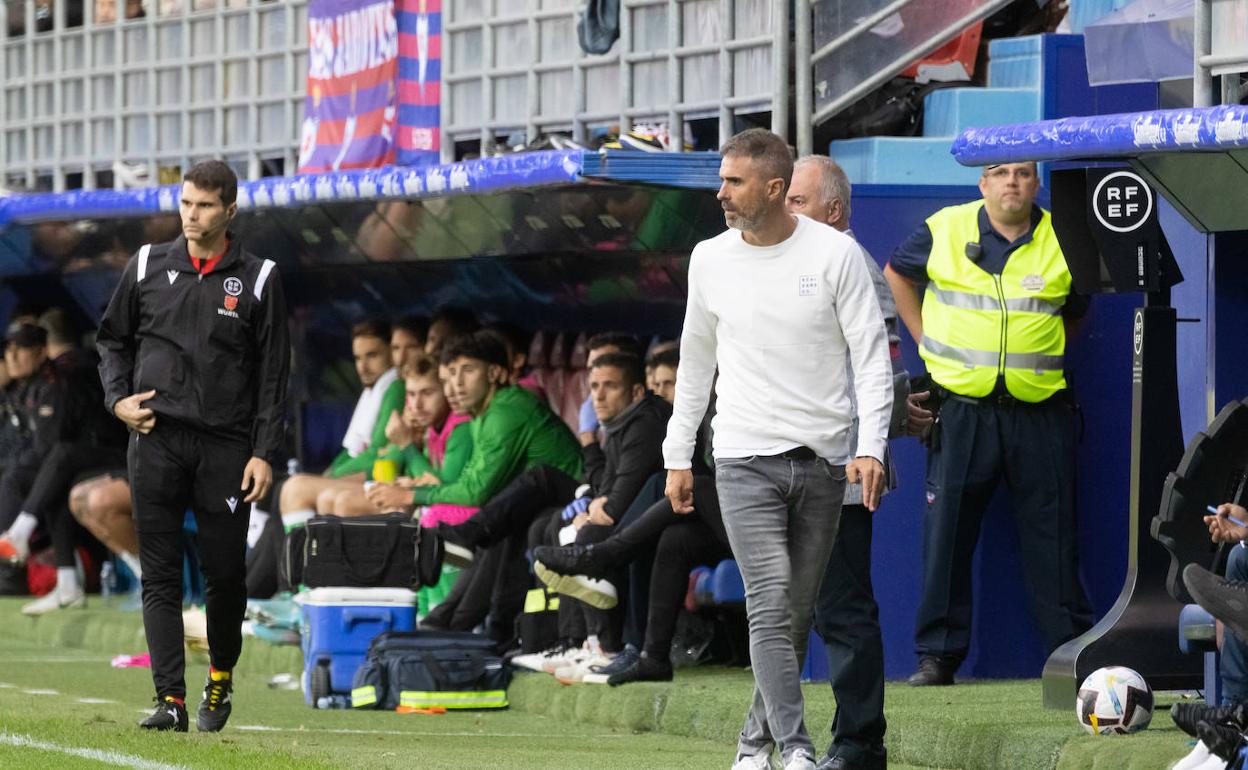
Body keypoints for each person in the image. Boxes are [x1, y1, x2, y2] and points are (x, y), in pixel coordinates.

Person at [663, 128, 893, 770]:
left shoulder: (836, 255)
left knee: (791, 616)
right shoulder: (708, 258)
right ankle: (795, 747)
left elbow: (872, 359)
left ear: (773, 188)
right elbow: (693, 363)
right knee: (769, 599)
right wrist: (677, 454)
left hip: (822, 461)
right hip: (740, 458)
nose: (721, 194)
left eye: (733, 182)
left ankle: (751, 745)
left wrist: (870, 446)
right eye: (722, 180)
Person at [97, 159, 291, 733]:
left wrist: (263, 451)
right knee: (158, 575)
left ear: (229, 210)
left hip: (227, 449)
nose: (191, 215)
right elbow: (111, 342)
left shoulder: (259, 278)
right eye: (185, 203)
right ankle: (170, 701)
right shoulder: (147, 264)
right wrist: (117, 403)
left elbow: (274, 376)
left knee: (225, 575)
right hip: (155, 438)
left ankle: (221, 677)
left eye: (203, 205)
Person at [883, 160, 1094, 687]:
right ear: (982, 184)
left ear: (1037, 183)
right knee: (947, 535)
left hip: (1039, 411)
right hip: (962, 410)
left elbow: (1077, 307)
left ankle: (1068, 653)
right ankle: (937, 656)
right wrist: (926, 339)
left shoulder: (1063, 235)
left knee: (1054, 535)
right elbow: (896, 276)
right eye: (1000, 173)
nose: (1012, 182)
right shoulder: (945, 227)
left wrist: (1041, 354)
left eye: (1023, 173)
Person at [786, 154, 916, 770]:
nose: (787, 211)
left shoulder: (855, 268)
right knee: (806, 610)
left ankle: (861, 745)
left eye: (798, 202)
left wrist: (873, 447)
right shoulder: (794, 263)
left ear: (833, 211)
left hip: (838, 470)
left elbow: (879, 373)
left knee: (842, 609)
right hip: (787, 466)